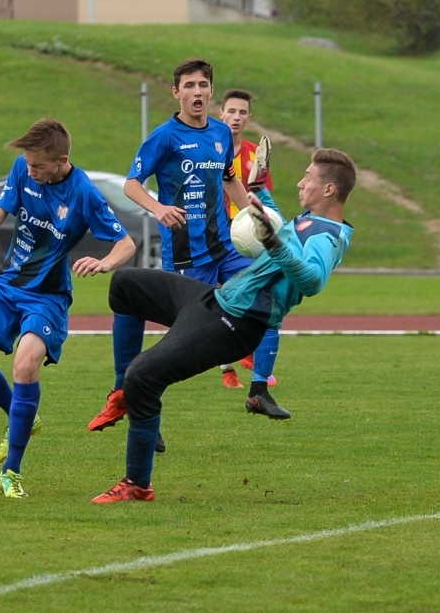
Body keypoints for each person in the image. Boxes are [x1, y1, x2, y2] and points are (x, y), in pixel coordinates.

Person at [91, 148, 356, 503]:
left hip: (237, 321)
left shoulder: (329, 237)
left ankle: (138, 484)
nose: (301, 182)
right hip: (216, 301)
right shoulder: (309, 220)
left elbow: (311, 280)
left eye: (308, 177)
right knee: (126, 285)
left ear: (328, 190)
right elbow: (277, 228)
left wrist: (273, 243)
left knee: (145, 377)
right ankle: (122, 393)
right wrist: (259, 191)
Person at [92, 59, 288, 447]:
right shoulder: (165, 137)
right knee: (178, 346)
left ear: (210, 91)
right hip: (186, 257)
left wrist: (255, 215)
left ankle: (259, 388)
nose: (197, 92)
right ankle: (134, 400)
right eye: (189, 86)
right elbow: (132, 184)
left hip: (225, 248)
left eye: (203, 85)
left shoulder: (218, 133)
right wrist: (158, 208)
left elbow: (230, 179)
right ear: (176, 92)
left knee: (271, 293)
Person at [0, 118, 136, 499]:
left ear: (61, 160)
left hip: (48, 295)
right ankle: (21, 416)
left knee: (25, 363)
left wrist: (104, 263)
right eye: (28, 164)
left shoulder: (83, 192)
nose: (30, 171)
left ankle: (11, 472)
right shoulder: (23, 168)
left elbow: (127, 243)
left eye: (37, 166)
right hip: (8, 283)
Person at [218, 89, 282, 394]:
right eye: (232, 111)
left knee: (252, 291)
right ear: (222, 114)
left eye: (242, 112)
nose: (237, 117)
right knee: (215, 298)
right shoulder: (209, 148)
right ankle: (229, 368)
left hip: (244, 235)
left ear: (248, 118)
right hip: (212, 233)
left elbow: (262, 197)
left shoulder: (256, 154)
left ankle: (249, 358)